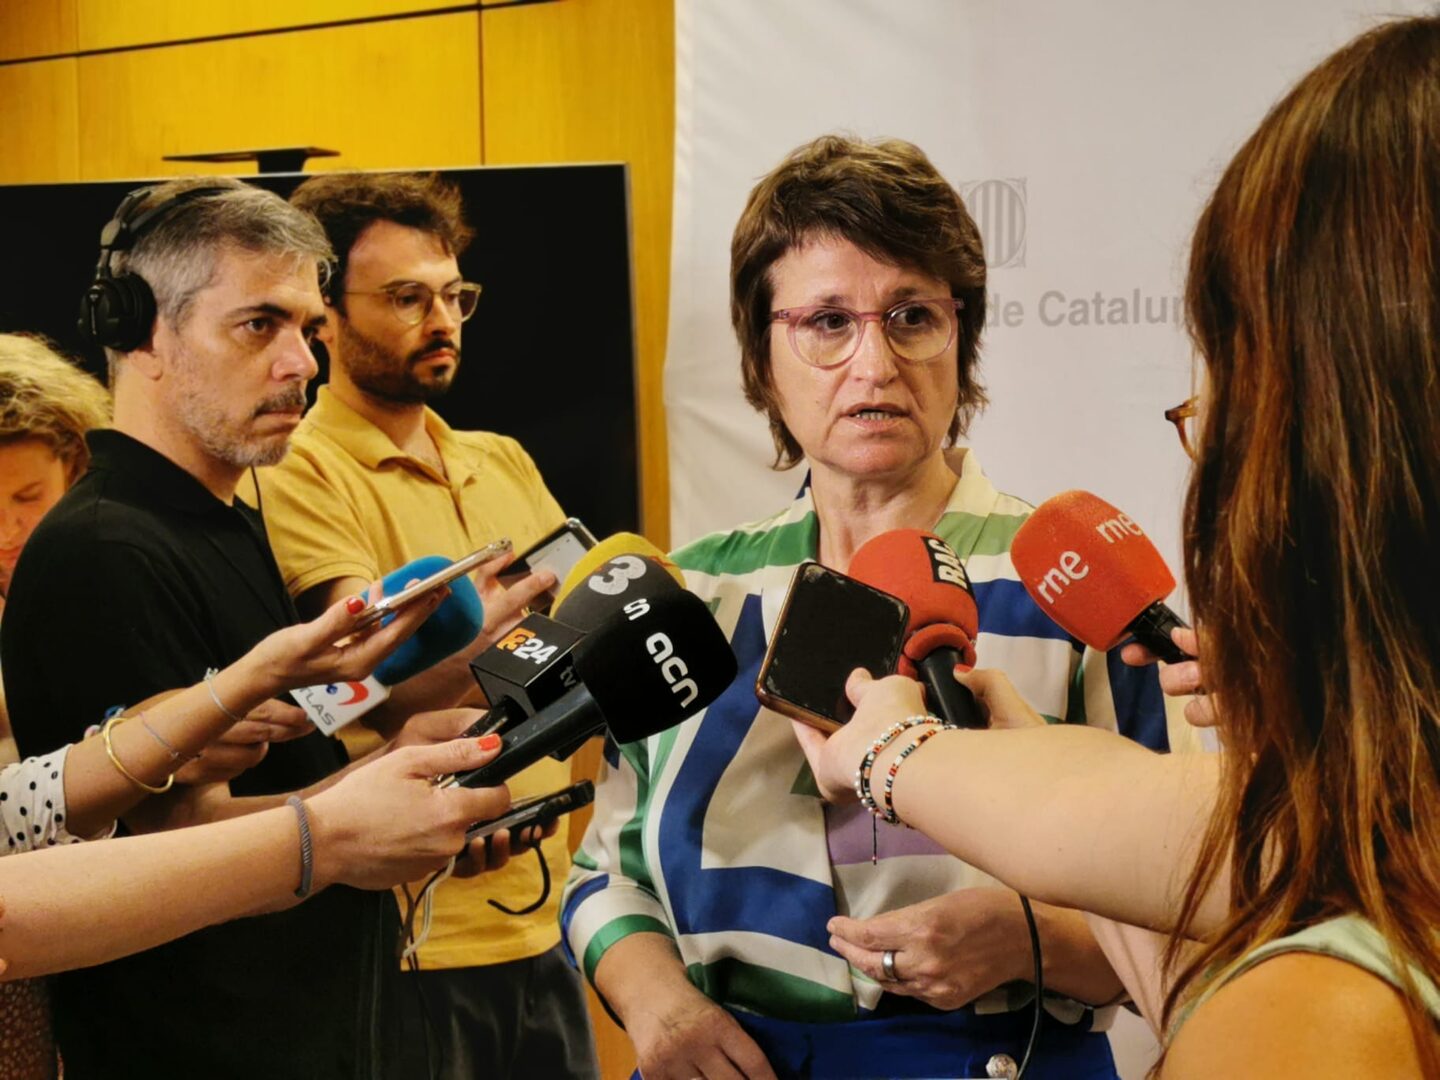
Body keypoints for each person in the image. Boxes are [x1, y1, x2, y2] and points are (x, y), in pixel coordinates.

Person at [792, 15, 1440, 1078]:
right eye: (827, 323)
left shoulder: (1324, 1016)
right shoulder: (1382, 843)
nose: (1208, 431)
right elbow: (1230, 862)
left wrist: (889, 755)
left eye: (1231, 367)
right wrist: (948, 761)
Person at [562, 135, 1186, 1080]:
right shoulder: (688, 592)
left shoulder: (1071, 586)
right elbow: (605, 872)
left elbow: (1187, 903)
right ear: (761, 356)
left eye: (912, 317)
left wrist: (1034, 942)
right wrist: (656, 1006)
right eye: (826, 321)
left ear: (961, 339)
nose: (875, 362)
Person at [3, 176, 394, 1078]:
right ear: (139, 330)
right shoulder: (103, 549)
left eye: (309, 328)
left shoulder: (223, 518)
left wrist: (402, 771)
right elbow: (172, 844)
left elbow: (268, 778)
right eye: (259, 325)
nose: (303, 363)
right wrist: (364, 817)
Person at [254, 171, 596, 1079]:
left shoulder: (500, 457)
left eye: (454, 296)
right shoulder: (298, 468)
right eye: (407, 298)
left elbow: (582, 645)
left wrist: (520, 641)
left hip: (546, 918)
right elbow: (369, 681)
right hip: (412, 934)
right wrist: (528, 637)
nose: (441, 320)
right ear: (323, 315)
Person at [0, 333, 112, 1079]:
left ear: (75, 467)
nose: (6, 532)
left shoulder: (109, 571)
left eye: (26, 498)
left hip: (104, 934)